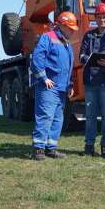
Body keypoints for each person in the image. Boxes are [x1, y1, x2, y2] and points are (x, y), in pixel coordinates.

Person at [29, 11, 78, 160]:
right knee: (45, 116)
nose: (72, 31)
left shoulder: (66, 42)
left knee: (58, 119)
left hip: (62, 88)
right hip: (49, 87)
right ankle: (38, 149)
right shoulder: (48, 37)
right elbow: (37, 58)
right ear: (62, 25)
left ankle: (51, 148)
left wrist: (70, 85)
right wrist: (44, 78)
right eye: (71, 28)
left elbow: (68, 66)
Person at [79, 2, 105, 158]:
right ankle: (89, 146)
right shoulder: (88, 36)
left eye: (104, 17)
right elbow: (81, 56)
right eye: (99, 17)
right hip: (90, 82)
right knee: (90, 117)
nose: (102, 19)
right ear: (95, 18)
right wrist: (88, 59)